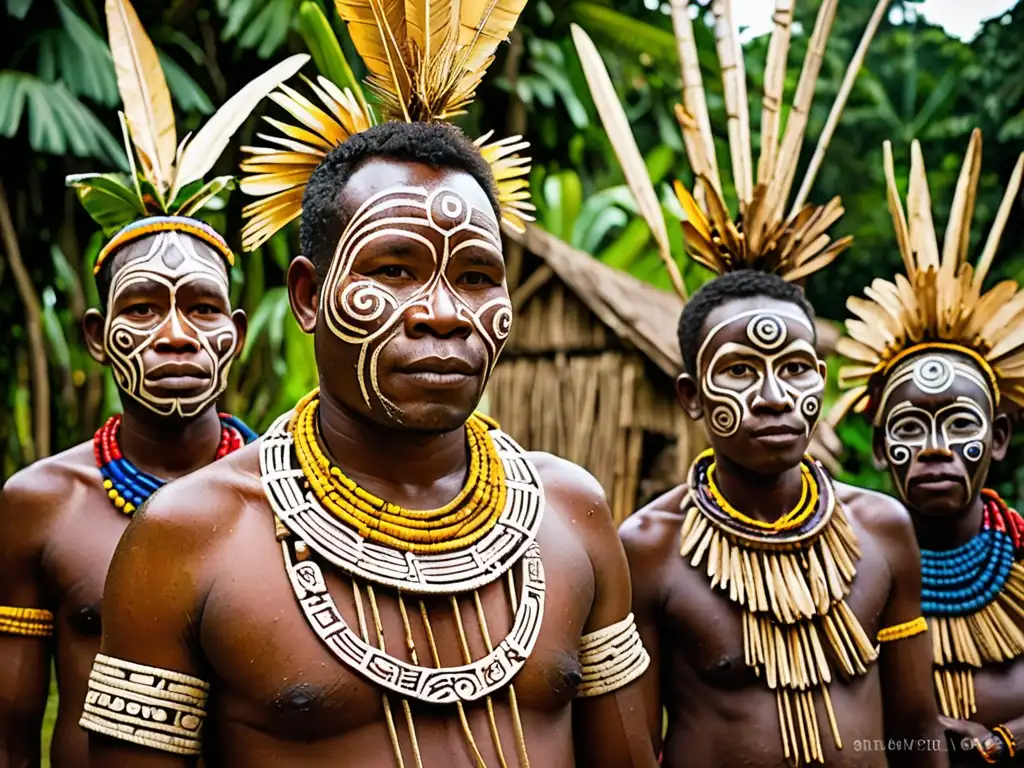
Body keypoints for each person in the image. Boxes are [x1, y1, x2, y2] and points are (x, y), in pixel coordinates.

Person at [79, 3, 656, 766]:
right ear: (310, 296)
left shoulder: (572, 513)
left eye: (478, 277)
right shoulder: (185, 538)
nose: (445, 314)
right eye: (394, 269)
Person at [574, 0, 945, 764]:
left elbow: (916, 733)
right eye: (741, 371)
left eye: (797, 368)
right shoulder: (647, 551)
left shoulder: (882, 531)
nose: (776, 396)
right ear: (691, 397)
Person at [0, 2, 305, 764]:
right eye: (144, 307)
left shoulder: (296, 498)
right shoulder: (40, 506)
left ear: (234, 334)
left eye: (201, 308)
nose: (175, 333)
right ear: (99, 339)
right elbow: (8, 735)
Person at [834, 130, 1024, 765]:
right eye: (910, 430)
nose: (936, 449)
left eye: (961, 426)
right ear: (882, 449)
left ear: (998, 439)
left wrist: (999, 744)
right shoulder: (834, 571)